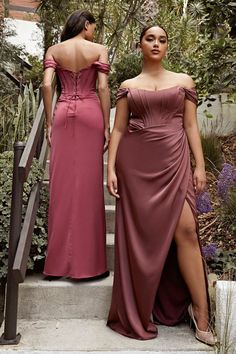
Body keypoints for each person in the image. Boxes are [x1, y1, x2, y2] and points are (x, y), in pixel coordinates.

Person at [106, 25, 217, 345]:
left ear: (168, 46)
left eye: (162, 39)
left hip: (174, 162)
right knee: (142, 238)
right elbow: (118, 131)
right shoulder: (128, 85)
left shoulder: (184, 81)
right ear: (139, 44)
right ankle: (139, 305)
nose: (156, 43)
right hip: (136, 166)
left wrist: (199, 165)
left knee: (185, 231)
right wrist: (111, 169)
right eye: (150, 38)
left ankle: (202, 314)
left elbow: (191, 125)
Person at [42, 10, 110, 280]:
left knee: (61, 185)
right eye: (93, 26)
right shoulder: (99, 49)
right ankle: (89, 265)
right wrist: (106, 125)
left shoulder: (54, 50)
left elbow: (47, 85)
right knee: (90, 186)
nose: (94, 32)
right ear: (85, 24)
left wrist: (49, 122)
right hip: (91, 112)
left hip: (62, 113)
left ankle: (57, 265)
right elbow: (103, 88)